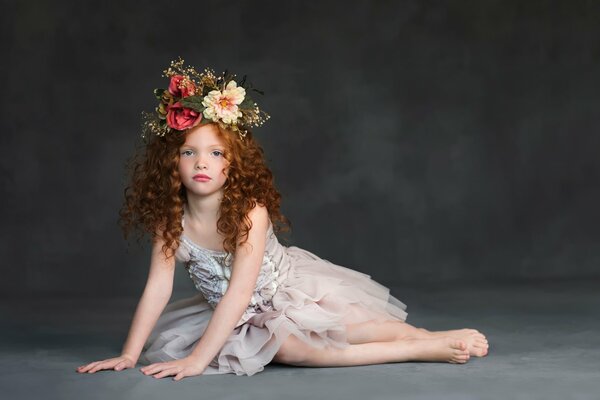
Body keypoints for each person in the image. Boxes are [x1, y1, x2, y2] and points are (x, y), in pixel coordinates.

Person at [76, 58, 489, 381]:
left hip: (290, 294)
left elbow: (240, 293)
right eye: (189, 153)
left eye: (216, 153)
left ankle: (427, 339)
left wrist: (199, 360)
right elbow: (158, 287)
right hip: (230, 313)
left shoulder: (248, 211)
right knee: (290, 350)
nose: (202, 162)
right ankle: (417, 348)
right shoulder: (171, 219)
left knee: (359, 328)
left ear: (233, 164)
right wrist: (130, 354)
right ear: (172, 163)